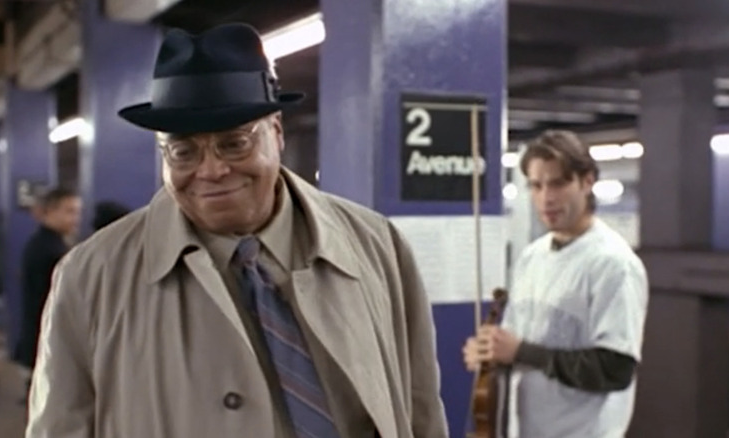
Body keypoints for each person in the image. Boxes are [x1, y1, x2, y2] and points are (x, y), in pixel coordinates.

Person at [26, 23, 448, 438]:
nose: (211, 171)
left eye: (234, 142)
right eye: (183, 151)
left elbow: (420, 406)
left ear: (276, 132)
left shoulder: (377, 246)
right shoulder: (89, 278)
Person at [462, 130, 649, 438]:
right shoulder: (531, 257)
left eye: (558, 183)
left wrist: (521, 351)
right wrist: (490, 353)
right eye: (536, 185)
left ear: (587, 181)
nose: (546, 197)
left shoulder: (614, 264)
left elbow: (615, 369)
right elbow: (514, 346)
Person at [15, 187, 81, 382]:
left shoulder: (41, 244)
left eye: (77, 211)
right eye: (69, 211)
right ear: (50, 212)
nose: (76, 218)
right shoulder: (52, 251)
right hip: (47, 345)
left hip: (38, 343)